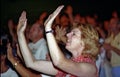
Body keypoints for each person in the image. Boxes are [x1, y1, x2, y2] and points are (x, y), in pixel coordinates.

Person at [17, 5, 99, 77]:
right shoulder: (65, 67)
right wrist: (20, 34)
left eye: (74, 34)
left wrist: (48, 29)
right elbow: (31, 63)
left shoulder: (90, 68)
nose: (67, 35)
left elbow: (59, 62)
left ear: (84, 42)